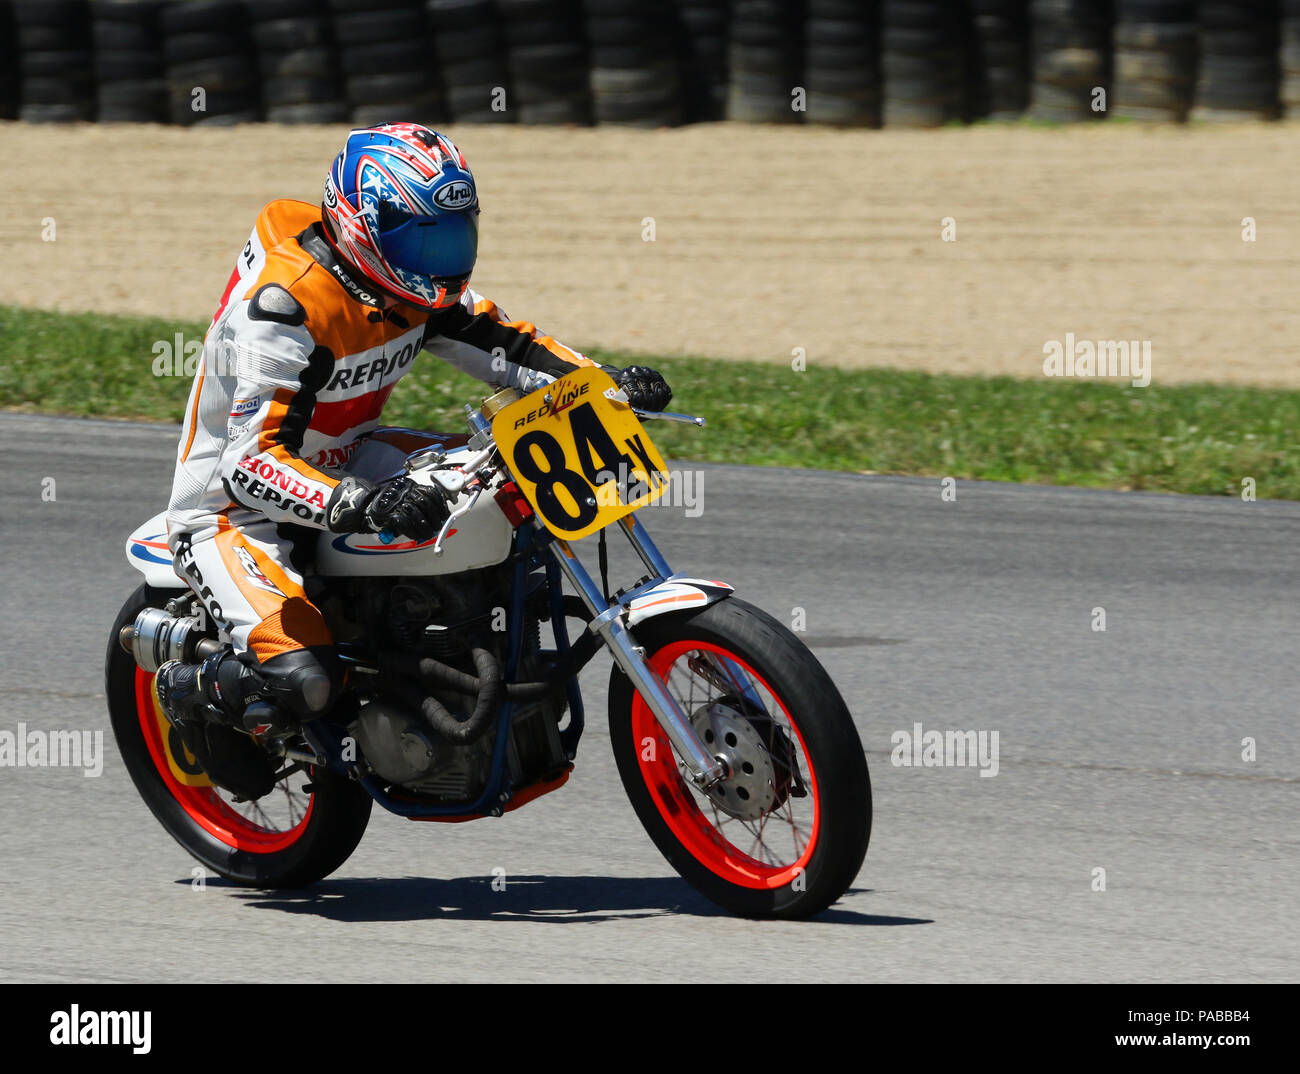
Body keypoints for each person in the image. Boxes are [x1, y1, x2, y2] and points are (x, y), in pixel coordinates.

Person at [152, 122, 672, 799]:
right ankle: (191, 689)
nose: (442, 256)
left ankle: (446, 655)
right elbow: (249, 463)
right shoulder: (285, 308)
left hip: (351, 459)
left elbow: (511, 349)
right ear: (363, 225)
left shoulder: (413, 289)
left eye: (455, 233)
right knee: (306, 680)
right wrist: (359, 504)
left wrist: (603, 383)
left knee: (496, 492)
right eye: (421, 236)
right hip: (234, 511)